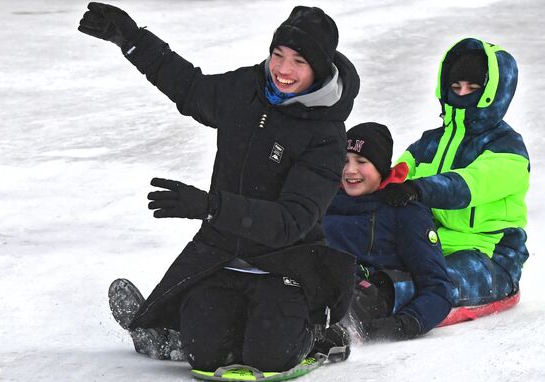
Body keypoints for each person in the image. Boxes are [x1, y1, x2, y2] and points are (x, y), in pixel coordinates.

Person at [78, 3, 360, 372]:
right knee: (205, 354)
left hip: (286, 264)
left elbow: (291, 220)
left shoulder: (325, 134)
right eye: (278, 54)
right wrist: (132, 40)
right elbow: (191, 88)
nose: (283, 70)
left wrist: (211, 208)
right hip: (222, 254)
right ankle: (179, 332)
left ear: (319, 69)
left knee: (269, 356)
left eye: (299, 62)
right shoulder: (247, 89)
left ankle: (319, 333)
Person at [379, 37, 530, 308]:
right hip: (428, 242)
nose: (461, 94)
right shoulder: (429, 143)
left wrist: (419, 189)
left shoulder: (508, 149)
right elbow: (397, 176)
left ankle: (367, 306)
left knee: (430, 283)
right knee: (366, 262)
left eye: (471, 87)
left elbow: (469, 184)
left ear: (492, 92)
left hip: (488, 257)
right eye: (455, 86)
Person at [323, 122, 454, 341]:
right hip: (319, 285)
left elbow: (438, 287)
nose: (350, 170)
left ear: (381, 168)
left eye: (362, 162)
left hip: (365, 297)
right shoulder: (324, 200)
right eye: (344, 161)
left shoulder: (404, 212)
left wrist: (405, 324)